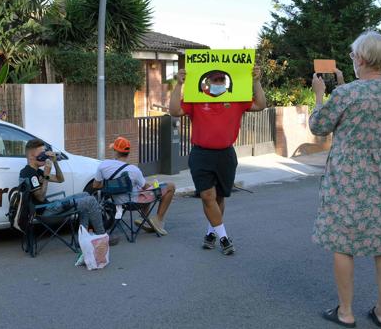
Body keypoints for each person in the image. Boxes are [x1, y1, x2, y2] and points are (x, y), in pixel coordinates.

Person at [310, 31, 381, 328]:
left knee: (343, 242)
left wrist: (320, 94)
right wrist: (345, 84)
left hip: (349, 173)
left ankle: (346, 312)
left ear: (361, 58)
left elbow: (320, 126)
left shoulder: (346, 94)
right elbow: (365, 108)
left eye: (354, 55)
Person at [169, 65, 266, 255]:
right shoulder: (196, 98)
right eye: (215, 80)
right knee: (207, 196)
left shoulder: (235, 97)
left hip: (226, 155)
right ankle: (224, 238)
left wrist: (256, 81)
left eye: (222, 79)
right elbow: (174, 111)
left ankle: (210, 233)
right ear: (207, 82)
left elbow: (261, 105)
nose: (219, 82)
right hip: (201, 154)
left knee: (219, 197)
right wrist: (178, 84)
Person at [19, 139, 106, 236]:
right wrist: (46, 176)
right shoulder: (30, 173)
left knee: (85, 194)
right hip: (45, 212)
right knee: (90, 201)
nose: (45, 156)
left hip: (49, 207)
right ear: (31, 156)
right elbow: (40, 197)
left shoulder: (34, 171)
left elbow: (60, 179)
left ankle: (83, 237)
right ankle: (102, 236)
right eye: (42, 154)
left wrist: (55, 162)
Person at [92, 137, 176, 235]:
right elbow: (146, 188)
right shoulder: (134, 170)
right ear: (128, 153)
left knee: (140, 189)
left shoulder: (103, 165)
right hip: (134, 203)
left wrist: (111, 184)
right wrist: (153, 185)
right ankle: (158, 220)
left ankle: (143, 219)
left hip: (117, 202)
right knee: (170, 186)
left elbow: (96, 185)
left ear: (115, 151)